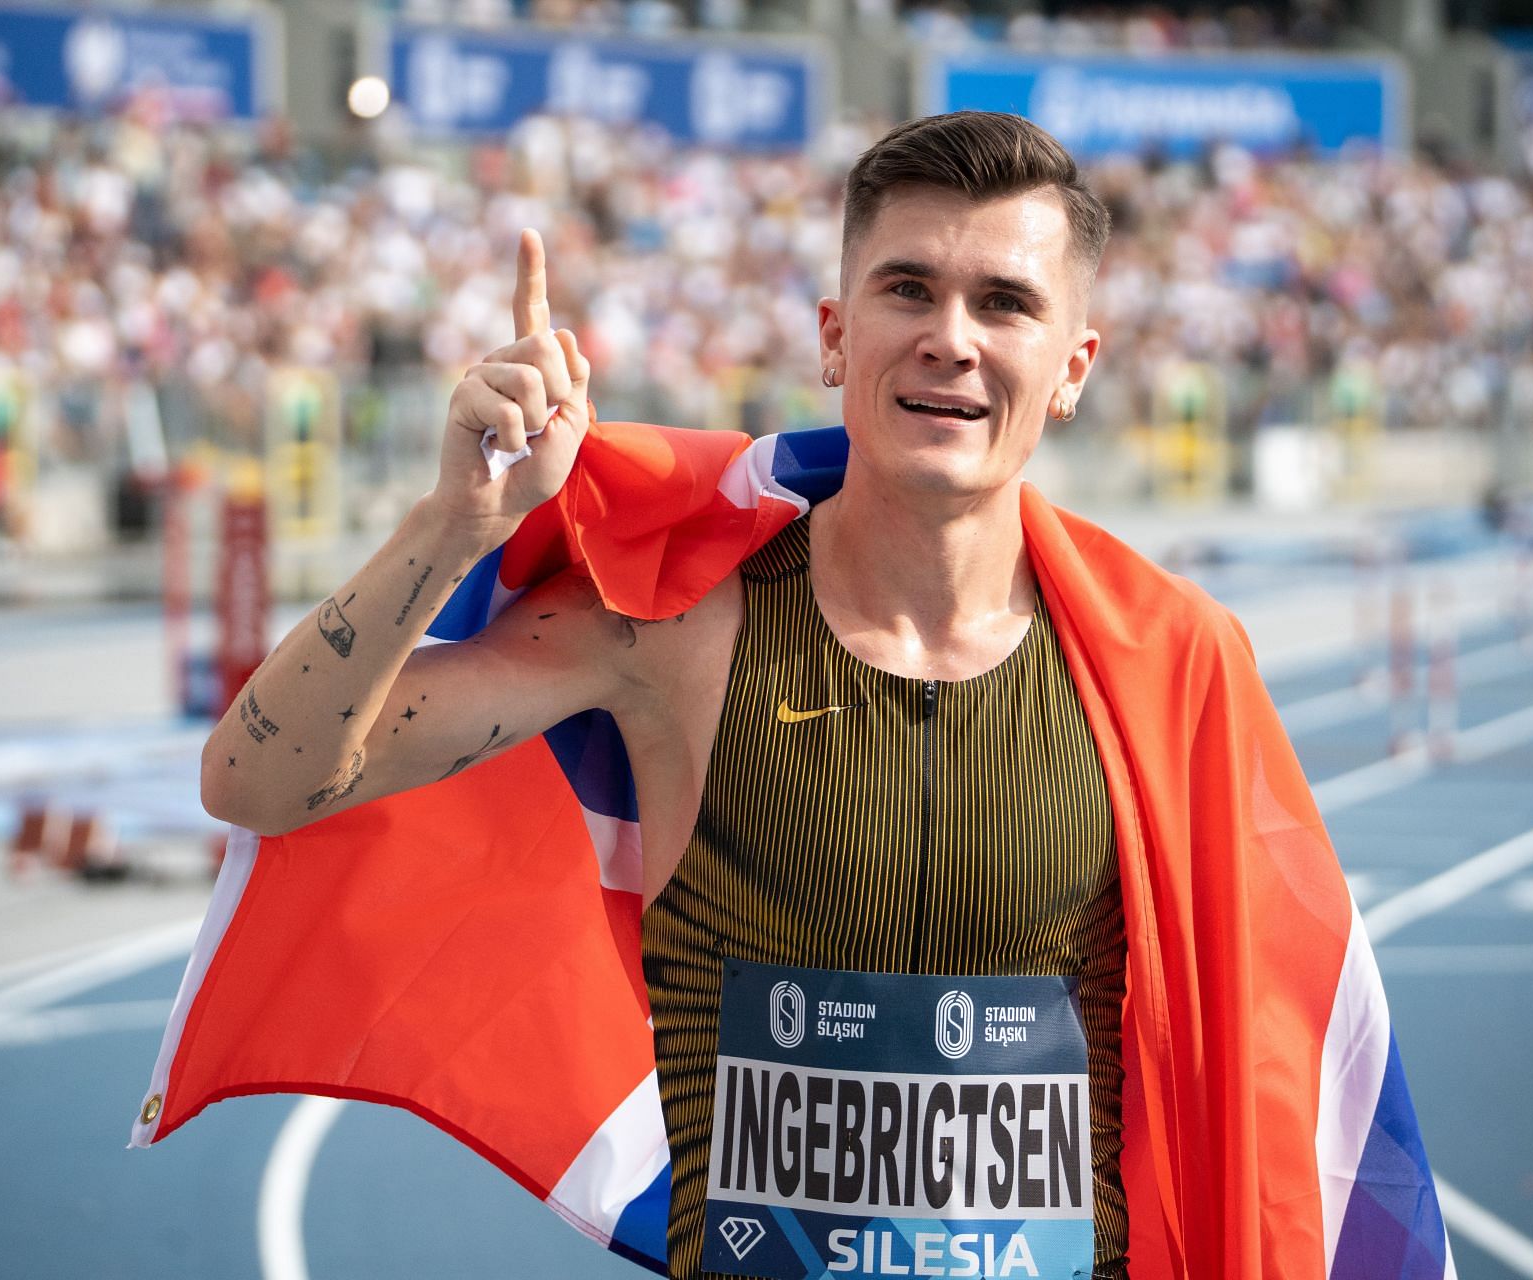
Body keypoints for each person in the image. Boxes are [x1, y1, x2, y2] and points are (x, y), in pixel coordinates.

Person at [143, 113, 1451, 1279]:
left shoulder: (1172, 668)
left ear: (1073, 364)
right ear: (836, 335)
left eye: (1005, 302)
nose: (950, 336)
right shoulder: (671, 630)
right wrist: (454, 524)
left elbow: (1278, 1086)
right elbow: (255, 784)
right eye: (907, 288)